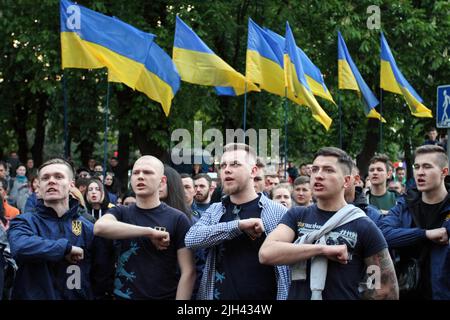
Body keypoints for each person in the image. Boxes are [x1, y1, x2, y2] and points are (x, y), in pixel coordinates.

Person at [259, 147, 398, 300]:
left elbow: (384, 289)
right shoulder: (297, 215)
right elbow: (266, 253)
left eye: (328, 170)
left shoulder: (363, 225)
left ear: (346, 181)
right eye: (315, 169)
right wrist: (322, 250)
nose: (318, 176)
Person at [185, 143, 289, 300]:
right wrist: (238, 226)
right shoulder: (215, 210)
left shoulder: (277, 212)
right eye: (223, 165)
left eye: (235, 164)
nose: (226, 169)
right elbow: (191, 239)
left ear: (253, 171)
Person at [94, 156, 195, 300]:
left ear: (162, 181)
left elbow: (188, 271)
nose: (140, 177)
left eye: (148, 172)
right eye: (136, 173)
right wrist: (148, 232)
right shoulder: (121, 212)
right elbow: (99, 227)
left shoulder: (177, 218)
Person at [7, 158, 107, 299]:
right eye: (45, 178)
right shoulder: (24, 222)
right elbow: (20, 247)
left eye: (59, 177)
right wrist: (66, 249)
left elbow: (100, 276)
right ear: (39, 187)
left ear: (72, 184)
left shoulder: (87, 228)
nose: (51, 181)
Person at [379, 145, 450, 300]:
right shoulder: (404, 205)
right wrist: (424, 234)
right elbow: (382, 234)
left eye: (427, 167)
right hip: (407, 291)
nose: (420, 172)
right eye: (417, 167)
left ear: (444, 172)